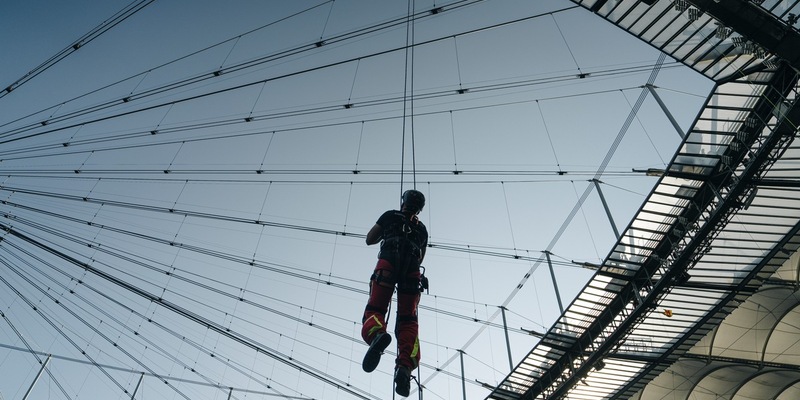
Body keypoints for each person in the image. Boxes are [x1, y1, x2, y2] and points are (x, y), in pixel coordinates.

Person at [361, 189, 428, 397]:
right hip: (412, 272)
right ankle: (405, 366)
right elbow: (422, 257)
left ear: (403, 202)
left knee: (376, 307)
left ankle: (377, 335)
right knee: (408, 320)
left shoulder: (390, 215)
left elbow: (369, 239)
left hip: (388, 262)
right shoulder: (422, 229)